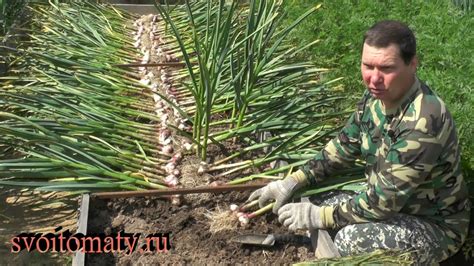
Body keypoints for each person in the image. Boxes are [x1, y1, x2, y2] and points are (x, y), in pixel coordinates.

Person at [248, 20, 470, 264]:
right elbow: (343, 146)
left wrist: (319, 217)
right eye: (367, 66)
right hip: (393, 207)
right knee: (320, 196)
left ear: (413, 64)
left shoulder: (423, 121)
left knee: (350, 240)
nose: (374, 78)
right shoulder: (375, 97)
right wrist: (294, 180)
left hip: (434, 226)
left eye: (386, 68)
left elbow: (381, 203)